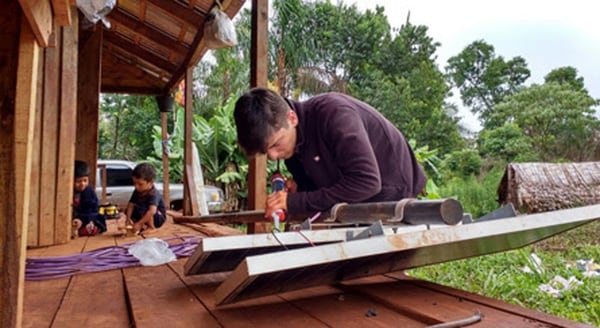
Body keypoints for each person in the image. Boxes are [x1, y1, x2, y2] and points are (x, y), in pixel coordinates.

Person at [234, 87, 427, 219]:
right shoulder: (292, 148)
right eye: (266, 152)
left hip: (394, 194)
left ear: (291, 118)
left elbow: (366, 182)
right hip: (358, 205)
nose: (274, 156)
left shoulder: (334, 114)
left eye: (276, 144)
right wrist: (299, 190)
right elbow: (319, 192)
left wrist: (295, 202)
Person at [124, 163, 167, 235]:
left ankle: (151, 227)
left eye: (140, 184)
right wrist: (128, 219)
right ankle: (137, 226)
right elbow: (131, 204)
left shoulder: (153, 194)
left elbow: (152, 211)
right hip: (145, 214)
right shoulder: (137, 191)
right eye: (134, 183)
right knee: (128, 210)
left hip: (158, 218)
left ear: (151, 182)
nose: (136, 186)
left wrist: (139, 223)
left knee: (145, 207)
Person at [72, 160, 107, 237]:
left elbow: (93, 210)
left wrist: (82, 220)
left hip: (86, 218)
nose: (82, 184)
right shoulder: (68, 192)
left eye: (85, 180)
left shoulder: (89, 191)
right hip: (72, 220)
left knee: (96, 222)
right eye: (78, 181)